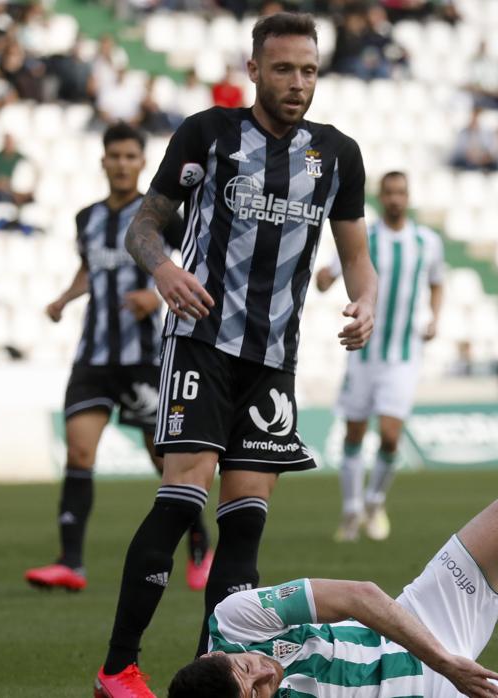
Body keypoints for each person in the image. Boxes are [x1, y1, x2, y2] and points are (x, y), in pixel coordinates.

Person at [95, 13, 377, 696]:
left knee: (245, 523)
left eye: (308, 70)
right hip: (203, 342)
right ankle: (119, 668)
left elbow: (358, 258)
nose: (297, 83)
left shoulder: (336, 154)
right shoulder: (209, 134)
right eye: (283, 69)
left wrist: (366, 302)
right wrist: (163, 271)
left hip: (274, 357)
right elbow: (144, 226)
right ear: (253, 70)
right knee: (182, 492)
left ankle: (210, 673)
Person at [167, 459, 498, 697]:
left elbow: (360, 596)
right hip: (429, 693)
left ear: (215, 654)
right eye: (257, 693)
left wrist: (447, 662)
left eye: (246, 668)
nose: (265, 675)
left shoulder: (235, 621)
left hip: (421, 620)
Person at [22, 123, 211, 595]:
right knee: (79, 450)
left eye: (131, 156)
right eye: (115, 156)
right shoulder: (87, 218)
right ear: (103, 161)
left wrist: (155, 294)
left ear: (141, 162)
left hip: (145, 358)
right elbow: (90, 268)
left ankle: (200, 544)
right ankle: (71, 562)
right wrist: (65, 298)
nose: (123, 163)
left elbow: (194, 263)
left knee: (163, 461)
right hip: (94, 357)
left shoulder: (163, 216)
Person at [316, 171, 444, 543]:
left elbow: (437, 281)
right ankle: (351, 510)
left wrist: (435, 317)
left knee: (390, 435)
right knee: (354, 431)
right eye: (388, 192)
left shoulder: (427, 242)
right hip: (363, 352)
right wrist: (323, 279)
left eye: (401, 192)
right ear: (380, 196)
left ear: (408, 196)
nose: (395, 198)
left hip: (404, 355)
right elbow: (331, 273)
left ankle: (374, 501)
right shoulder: (365, 237)